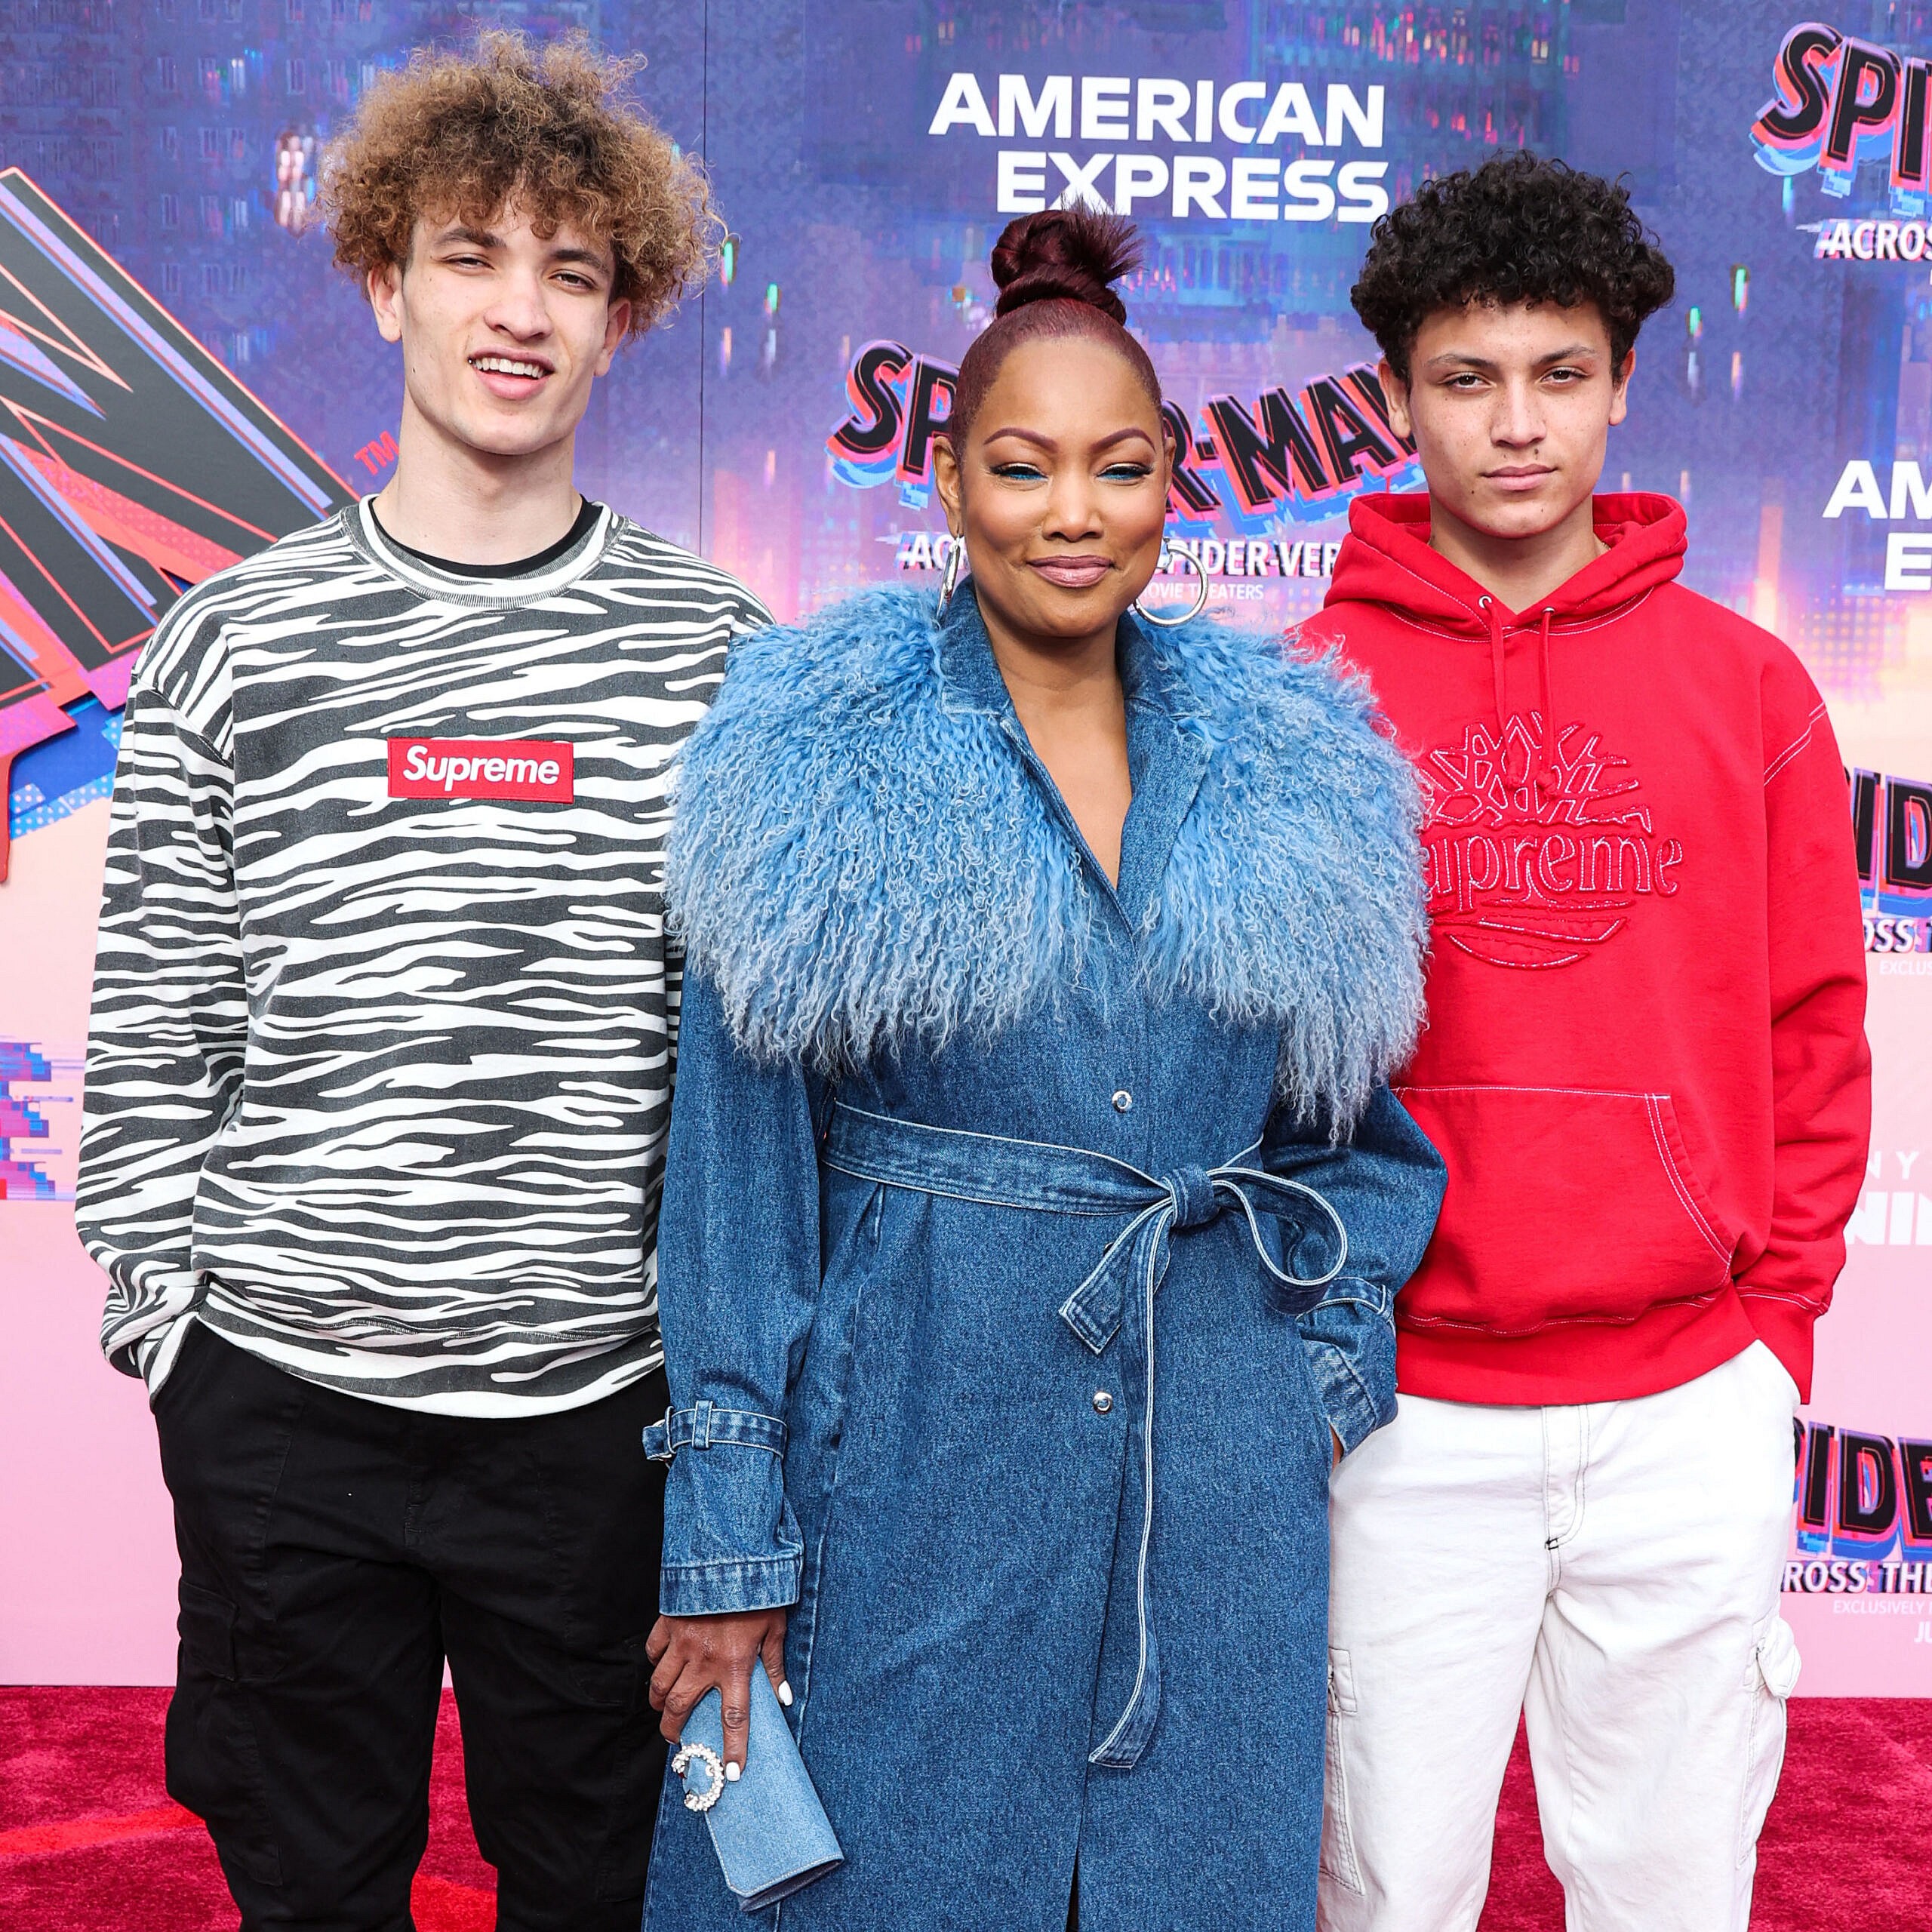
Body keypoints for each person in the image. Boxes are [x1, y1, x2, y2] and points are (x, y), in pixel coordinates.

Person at [634, 208, 1446, 1932]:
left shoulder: (1293, 764)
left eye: (1117, 466)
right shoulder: (811, 751)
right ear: (947, 483)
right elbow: (735, 1181)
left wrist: (1310, 1370)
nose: (1070, 512)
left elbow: (1361, 1146)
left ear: (1174, 485)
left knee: (1179, 1886)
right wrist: (727, 1547)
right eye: (1021, 466)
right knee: (865, 1883)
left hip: (1212, 1466)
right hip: (909, 1441)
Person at [75, 33, 769, 1932]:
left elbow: (760, 1079)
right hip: (285, 1407)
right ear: (384, 278)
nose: (516, 309)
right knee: (311, 1890)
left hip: (593, 1426)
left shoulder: (723, 657)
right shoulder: (234, 638)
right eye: (471, 254)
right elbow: (152, 1031)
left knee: (602, 1892)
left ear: (619, 316)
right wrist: (177, 1339)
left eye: (568, 269)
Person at [1306, 152, 1872, 1932]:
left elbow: (1810, 1032)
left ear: (1623, 380)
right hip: (1399, 1409)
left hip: (1682, 1398)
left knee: (1666, 1884)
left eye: (1558, 374)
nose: (1515, 426)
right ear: (1393, 398)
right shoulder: (1301, 688)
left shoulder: (1749, 685)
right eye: (1464, 381)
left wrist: (1770, 1329)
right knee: (1386, 1883)